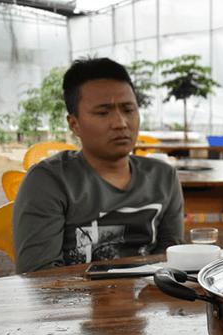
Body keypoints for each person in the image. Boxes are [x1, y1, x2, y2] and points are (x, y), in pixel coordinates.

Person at [13, 58, 184, 273]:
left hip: (147, 302)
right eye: (103, 113)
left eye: (128, 109)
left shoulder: (163, 177)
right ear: (74, 123)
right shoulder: (49, 182)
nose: (121, 123)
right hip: (72, 304)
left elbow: (171, 258)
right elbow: (38, 276)